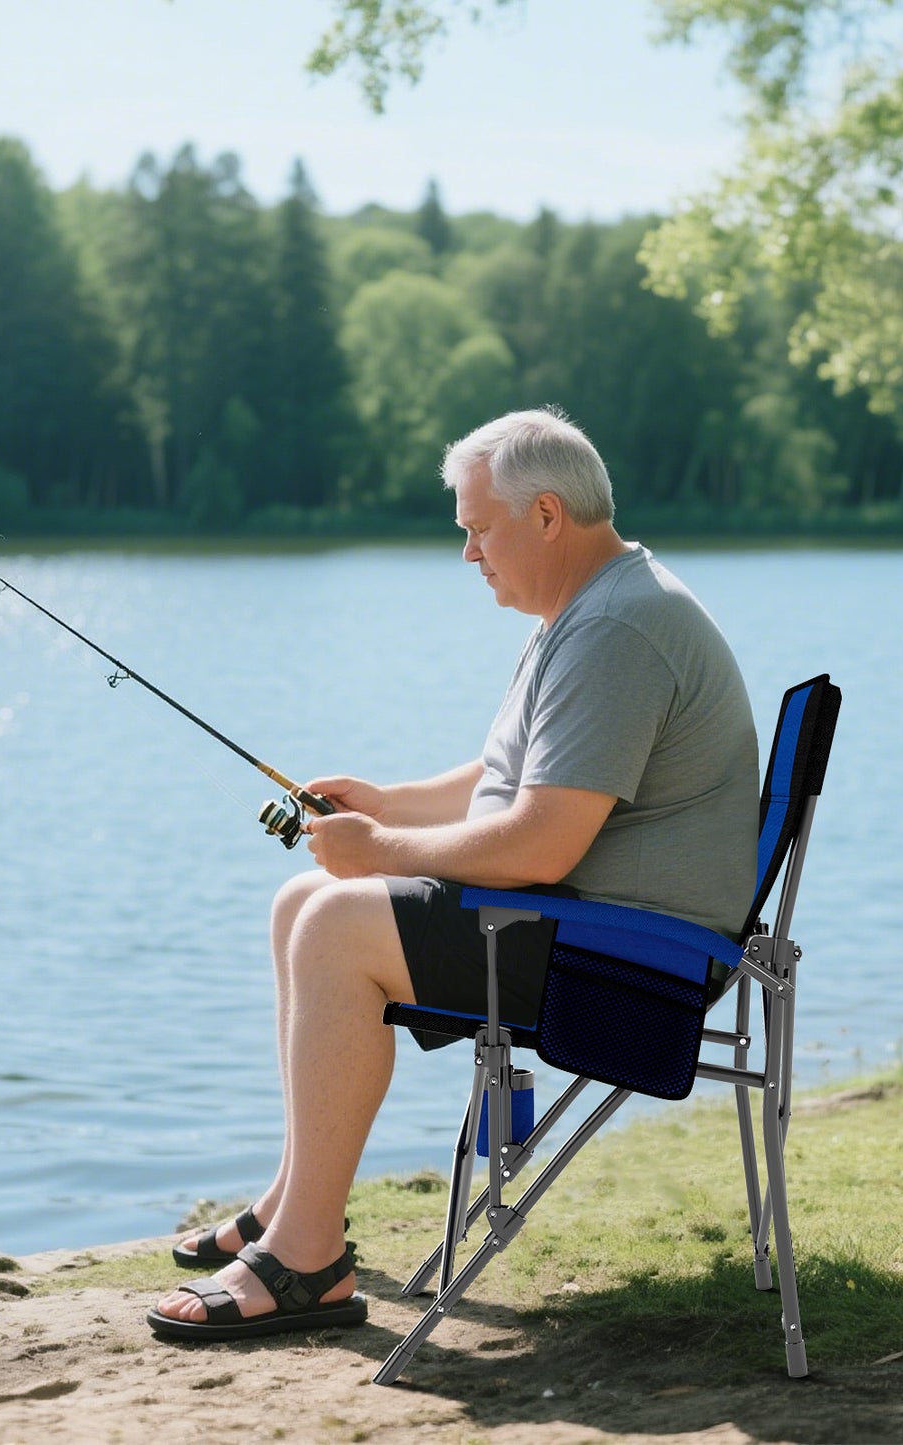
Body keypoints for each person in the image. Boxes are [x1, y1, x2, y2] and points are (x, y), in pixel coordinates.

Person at [147, 407, 759, 1342]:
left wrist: (379, 852)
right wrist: (387, 806)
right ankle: (291, 1203)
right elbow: (509, 779)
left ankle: (307, 1261)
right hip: (593, 920)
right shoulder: (591, 608)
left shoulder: (617, 629)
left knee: (333, 923)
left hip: (632, 958)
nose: (468, 553)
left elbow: (542, 842)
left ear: (545, 515)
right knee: (304, 897)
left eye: (479, 529)